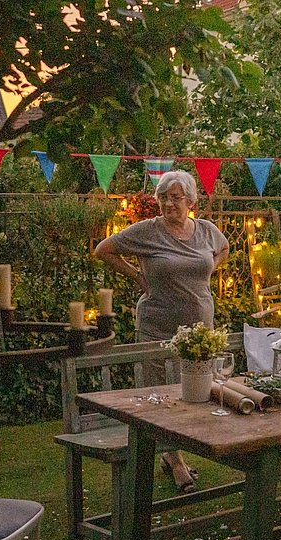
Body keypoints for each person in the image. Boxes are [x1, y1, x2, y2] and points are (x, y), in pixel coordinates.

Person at [94, 169, 229, 493]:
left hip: (199, 326)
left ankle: (174, 453)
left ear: (191, 201)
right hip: (157, 322)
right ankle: (174, 458)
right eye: (164, 197)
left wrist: (207, 274)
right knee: (160, 393)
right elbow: (104, 249)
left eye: (176, 197)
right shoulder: (148, 232)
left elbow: (223, 249)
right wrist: (137, 276)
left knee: (193, 390)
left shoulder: (207, 231)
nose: (169, 203)